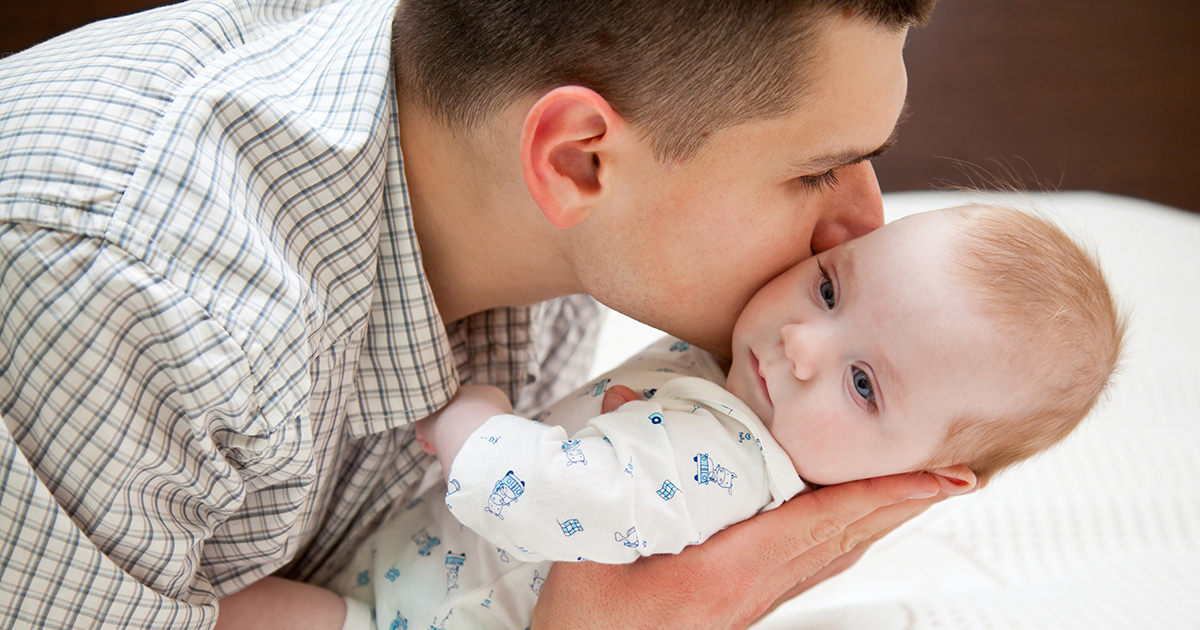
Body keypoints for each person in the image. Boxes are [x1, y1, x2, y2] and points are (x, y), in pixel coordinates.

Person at [0, 0, 949, 628]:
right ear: (578, 160)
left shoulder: (540, 228)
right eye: (818, 167)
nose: (864, 223)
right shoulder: (131, 297)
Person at [318, 203, 1123, 629]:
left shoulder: (728, 465)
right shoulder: (742, 383)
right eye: (831, 288)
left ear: (926, 478)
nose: (803, 342)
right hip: (389, 572)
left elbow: (550, 496)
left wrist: (472, 420)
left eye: (865, 386)